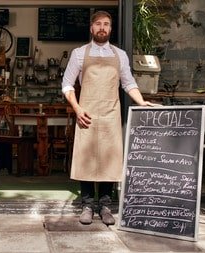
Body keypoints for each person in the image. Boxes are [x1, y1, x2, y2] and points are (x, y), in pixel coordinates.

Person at [61, 10, 158, 225]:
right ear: (91, 28)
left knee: (109, 158)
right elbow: (67, 85)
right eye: (98, 24)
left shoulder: (120, 55)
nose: (102, 28)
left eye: (106, 24)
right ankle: (87, 205)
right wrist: (77, 109)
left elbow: (128, 83)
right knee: (86, 159)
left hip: (110, 114)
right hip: (86, 114)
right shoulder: (79, 53)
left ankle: (105, 205)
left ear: (111, 29)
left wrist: (141, 101)